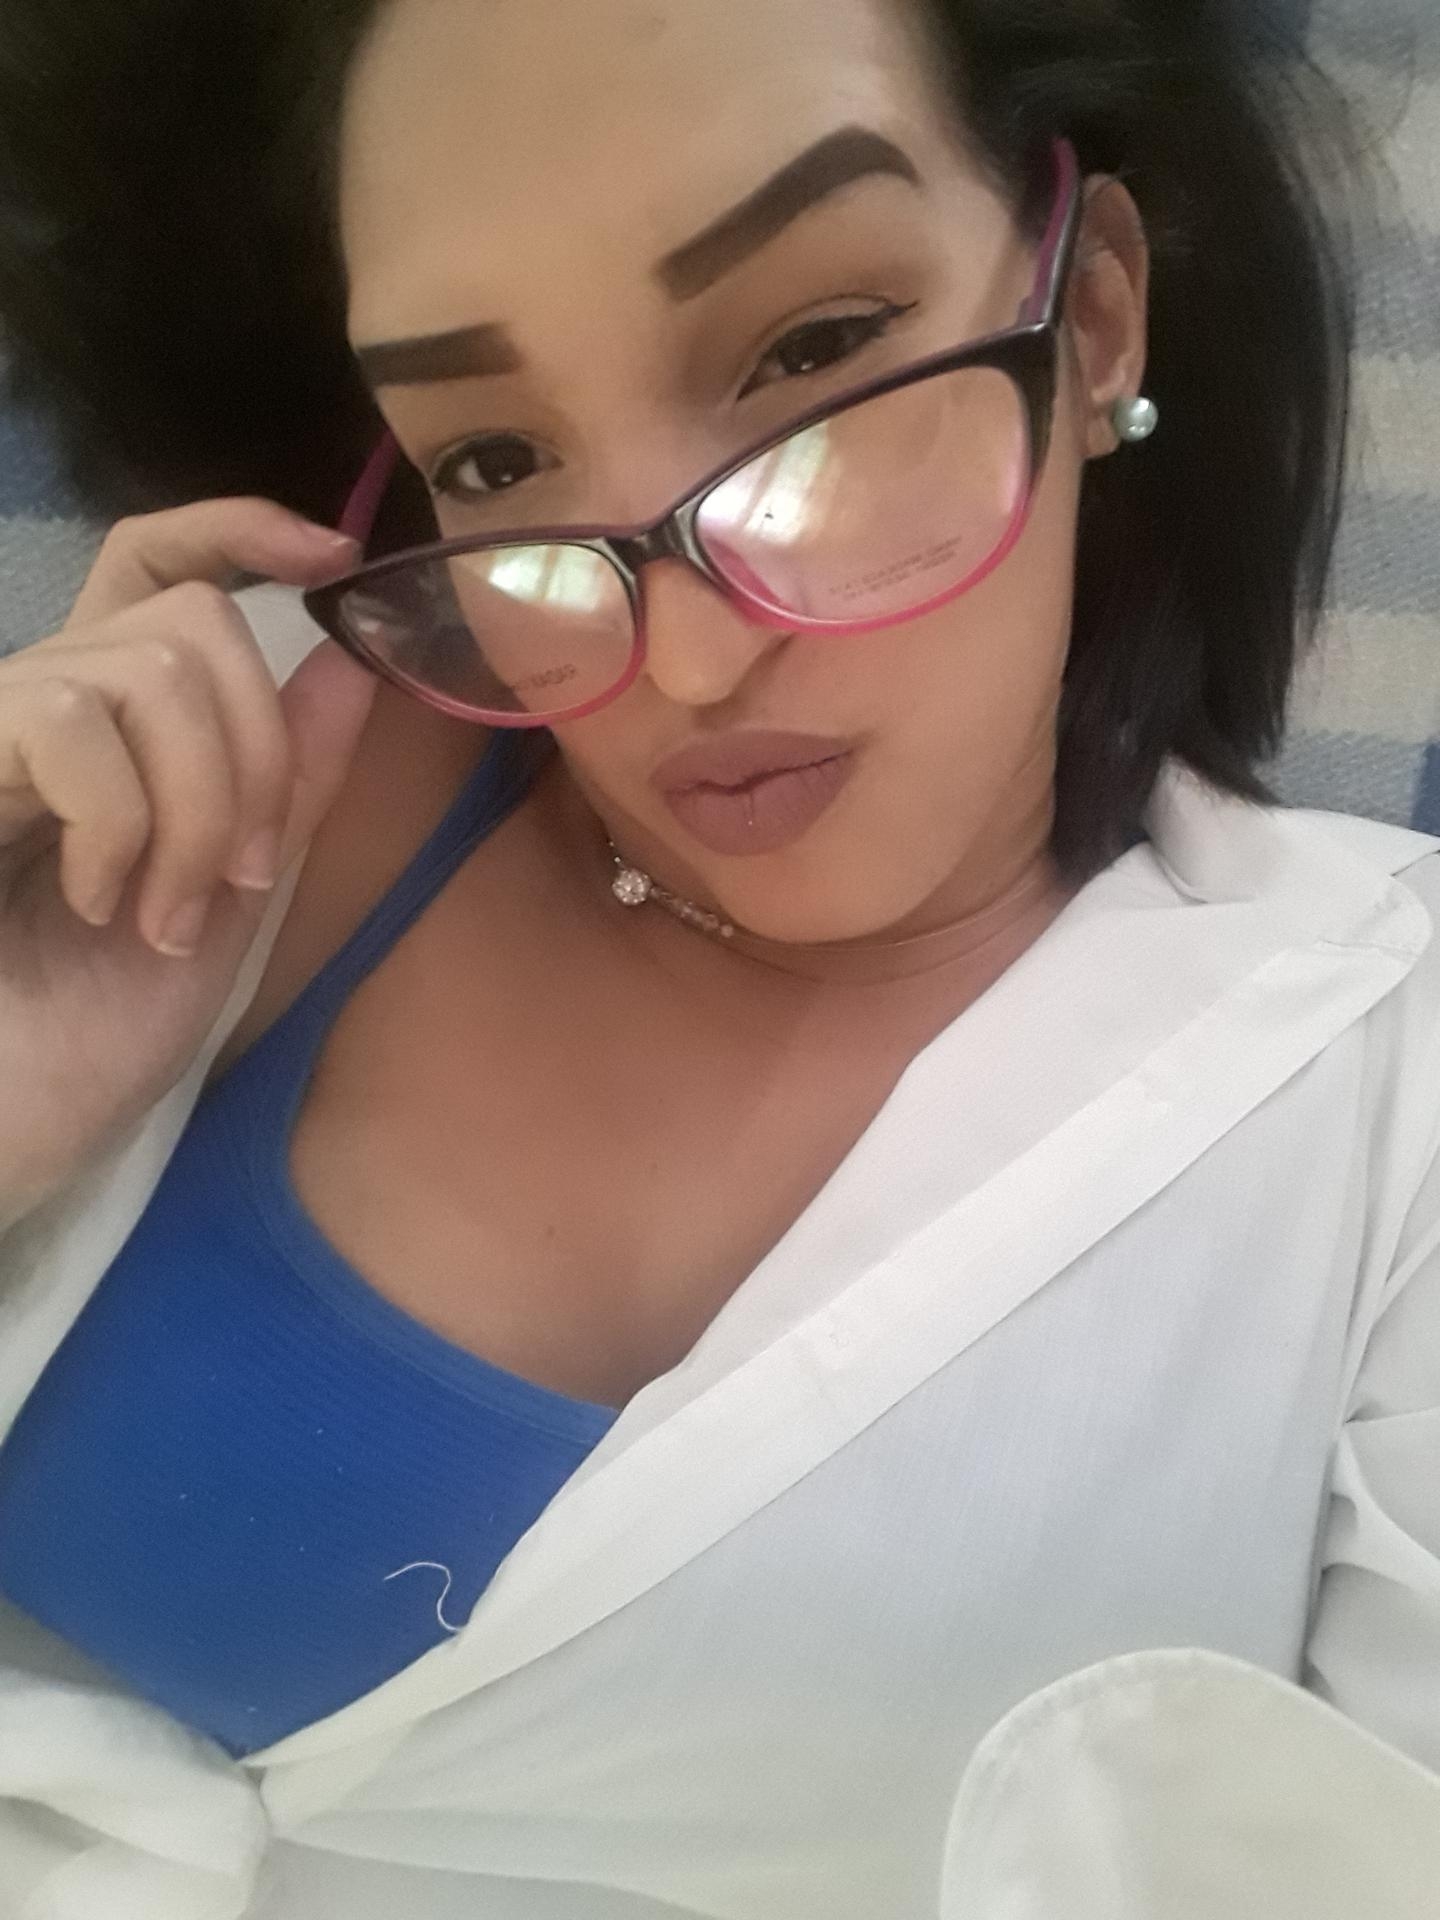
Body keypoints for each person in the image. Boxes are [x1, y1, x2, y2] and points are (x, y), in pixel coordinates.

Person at [0, 0, 1437, 1914]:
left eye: (813, 351)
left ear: (1090, 316)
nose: (684, 661)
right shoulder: (216, 802)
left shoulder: (1386, 1080)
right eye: (494, 457)